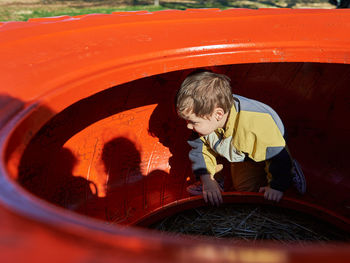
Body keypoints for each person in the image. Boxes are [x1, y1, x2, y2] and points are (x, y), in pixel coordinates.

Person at [175, 71, 306, 206]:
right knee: (245, 189)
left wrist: (277, 187)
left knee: (275, 179)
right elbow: (200, 152)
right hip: (241, 150)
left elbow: (277, 154)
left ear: (218, 114)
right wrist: (207, 181)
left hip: (272, 149)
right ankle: (217, 182)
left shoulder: (255, 125)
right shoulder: (208, 119)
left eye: (193, 122)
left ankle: (290, 171)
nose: (188, 126)